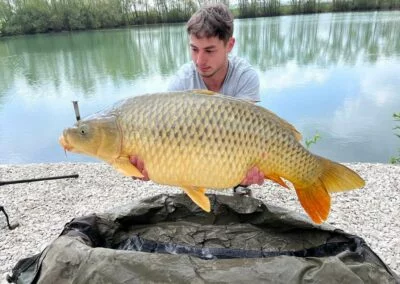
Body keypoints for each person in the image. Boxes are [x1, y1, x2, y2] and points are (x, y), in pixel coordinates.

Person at [167, 3, 260, 103]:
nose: (199, 61)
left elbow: (247, 118)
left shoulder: (244, 78)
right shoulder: (181, 83)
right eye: (194, 49)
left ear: (229, 45)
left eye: (209, 51)